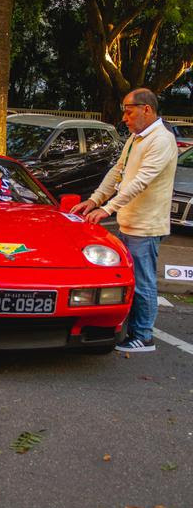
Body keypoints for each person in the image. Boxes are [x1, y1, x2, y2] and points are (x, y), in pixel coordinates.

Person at [71, 88, 178, 352]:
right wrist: (95, 200)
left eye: (129, 112)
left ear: (147, 110)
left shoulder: (162, 140)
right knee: (129, 280)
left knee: (143, 282)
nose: (124, 118)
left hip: (146, 225)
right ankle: (131, 329)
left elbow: (141, 182)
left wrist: (108, 209)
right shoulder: (136, 139)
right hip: (130, 222)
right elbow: (117, 172)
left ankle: (144, 336)